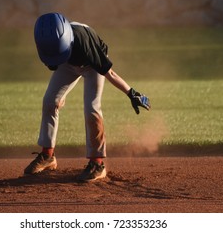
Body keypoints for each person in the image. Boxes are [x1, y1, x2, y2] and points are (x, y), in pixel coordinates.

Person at [24, 12, 150, 182]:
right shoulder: (50, 43)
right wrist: (62, 94)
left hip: (92, 66)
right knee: (49, 101)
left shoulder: (86, 44)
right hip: (68, 64)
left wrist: (131, 93)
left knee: (92, 108)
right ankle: (48, 156)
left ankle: (97, 164)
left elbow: (110, 73)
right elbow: (56, 63)